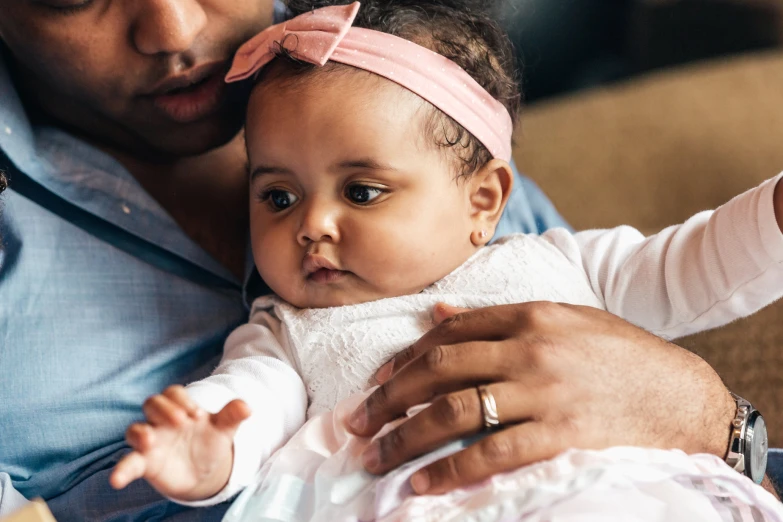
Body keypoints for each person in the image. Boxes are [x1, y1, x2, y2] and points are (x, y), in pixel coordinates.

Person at [0, 0, 777, 520]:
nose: (172, 28)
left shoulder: (385, 77)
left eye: (364, 192)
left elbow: (694, 266)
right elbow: (246, 406)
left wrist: (717, 420)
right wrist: (205, 450)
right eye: (276, 197)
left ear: (483, 202)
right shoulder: (288, 335)